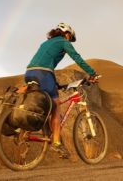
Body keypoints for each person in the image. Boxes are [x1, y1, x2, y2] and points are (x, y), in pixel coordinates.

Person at [25, 23, 98, 158]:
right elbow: (77, 58)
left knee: (44, 104)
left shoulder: (45, 43)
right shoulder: (63, 42)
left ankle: (36, 130)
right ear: (67, 34)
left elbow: (45, 62)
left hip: (29, 73)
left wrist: (56, 84)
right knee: (57, 106)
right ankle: (56, 143)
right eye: (69, 38)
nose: (69, 41)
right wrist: (92, 73)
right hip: (43, 74)